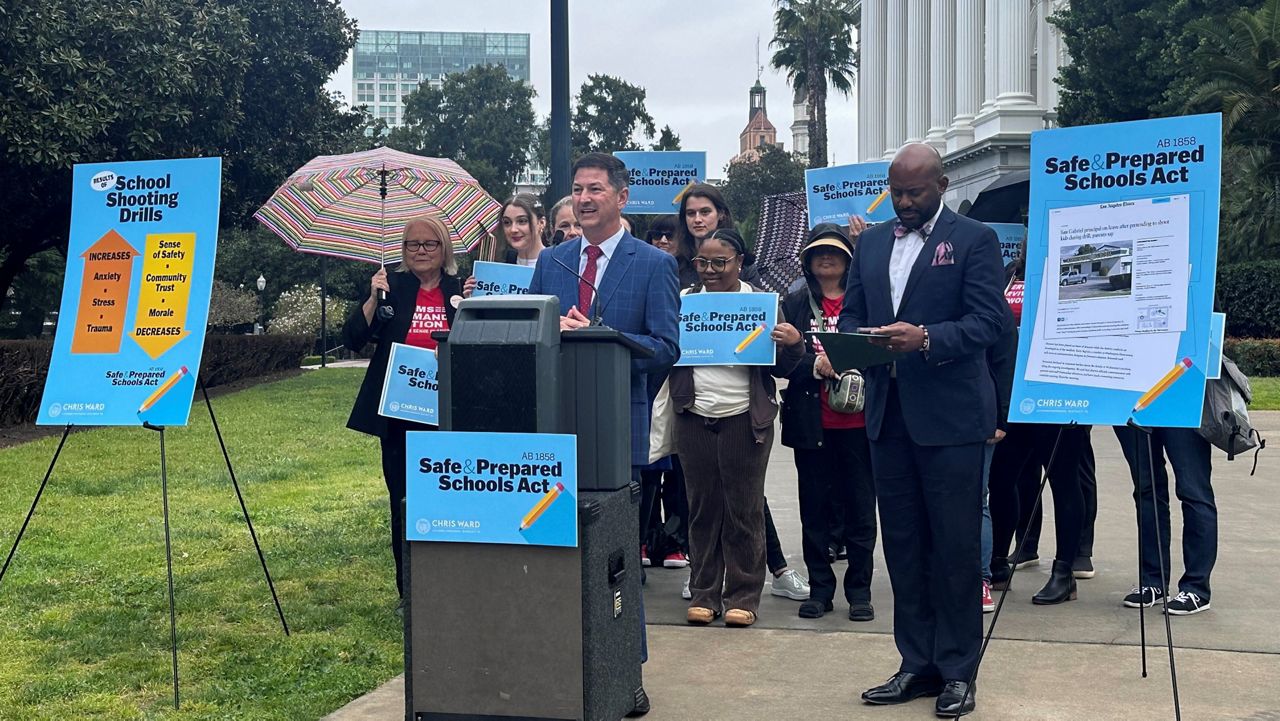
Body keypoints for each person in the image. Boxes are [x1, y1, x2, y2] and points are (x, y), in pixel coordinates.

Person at [839, 144, 1005, 718]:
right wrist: (851, 344)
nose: (904, 203)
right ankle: (916, 664)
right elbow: (852, 315)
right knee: (905, 546)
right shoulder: (875, 242)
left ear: (942, 183)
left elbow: (987, 322)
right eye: (897, 192)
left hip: (953, 420)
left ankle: (958, 670)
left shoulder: (974, 240)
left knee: (954, 548)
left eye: (915, 192)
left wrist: (927, 338)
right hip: (888, 418)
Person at [527, 152, 680, 717]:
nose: (584, 199)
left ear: (622, 195)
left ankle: (626, 672)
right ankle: (565, 664)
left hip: (618, 426)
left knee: (617, 555)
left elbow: (666, 348)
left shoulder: (651, 264)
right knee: (558, 552)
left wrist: (602, 336)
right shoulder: (554, 262)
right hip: (556, 423)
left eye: (595, 189)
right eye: (577, 190)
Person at [669, 228, 805, 628]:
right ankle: (704, 593)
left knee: (744, 509)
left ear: (740, 263)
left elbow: (782, 368)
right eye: (702, 263)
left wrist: (793, 342)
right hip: (694, 415)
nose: (710, 271)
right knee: (701, 509)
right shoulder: (686, 302)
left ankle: (744, 596)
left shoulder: (761, 304)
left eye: (719, 263)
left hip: (745, 420)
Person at [343, 213, 463, 604]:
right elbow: (354, 339)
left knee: (447, 497)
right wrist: (372, 297)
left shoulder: (461, 288)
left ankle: (448, 581)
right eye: (413, 244)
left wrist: (473, 304)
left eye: (430, 244)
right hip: (399, 414)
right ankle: (408, 589)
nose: (421, 251)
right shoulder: (391, 287)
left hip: (447, 413)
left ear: (444, 249)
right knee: (403, 501)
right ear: (403, 250)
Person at [780, 222, 878, 622]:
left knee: (860, 511)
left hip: (860, 426)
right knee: (815, 512)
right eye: (819, 252)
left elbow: (883, 351)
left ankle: (860, 591)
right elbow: (780, 363)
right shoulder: (796, 302)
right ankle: (820, 588)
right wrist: (810, 361)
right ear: (807, 260)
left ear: (848, 260)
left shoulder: (866, 301)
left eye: (835, 252)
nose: (826, 258)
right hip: (812, 424)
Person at [1112, 425, 1216, 614]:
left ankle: (1196, 588)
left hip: (1181, 400)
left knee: (1193, 490)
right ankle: (1153, 582)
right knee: (1146, 489)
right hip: (1132, 401)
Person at [673, 183, 761, 289]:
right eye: (691, 213)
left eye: (705, 212)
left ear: (721, 214)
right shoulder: (674, 265)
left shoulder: (745, 267)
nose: (697, 220)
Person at [462, 194, 545, 298]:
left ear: (541, 223)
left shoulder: (557, 263)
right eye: (507, 222)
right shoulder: (495, 267)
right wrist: (471, 298)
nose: (513, 229)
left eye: (522, 221)